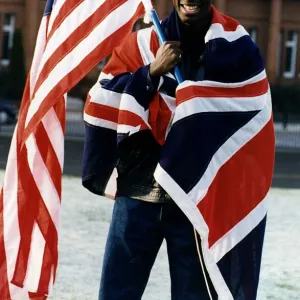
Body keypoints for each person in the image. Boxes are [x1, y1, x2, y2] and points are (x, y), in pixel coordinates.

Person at [82, 1, 271, 299]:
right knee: (115, 295)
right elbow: (102, 96)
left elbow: (253, 117)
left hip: (195, 199)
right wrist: (151, 72)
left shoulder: (239, 48)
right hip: (138, 193)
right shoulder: (142, 42)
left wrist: (201, 106)